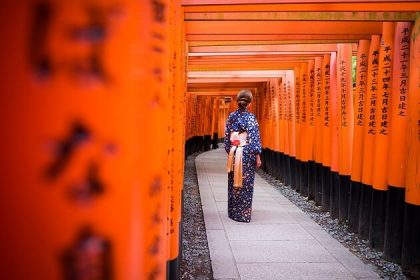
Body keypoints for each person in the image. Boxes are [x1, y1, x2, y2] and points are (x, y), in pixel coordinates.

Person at [225, 89, 262, 223]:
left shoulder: (231, 116)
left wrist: (230, 152)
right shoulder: (251, 118)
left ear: (238, 101)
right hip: (246, 153)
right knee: (246, 183)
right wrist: (257, 156)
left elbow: (227, 137)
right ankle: (243, 214)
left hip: (234, 152)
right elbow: (254, 138)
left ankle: (233, 212)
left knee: (233, 181)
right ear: (249, 103)